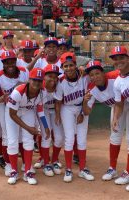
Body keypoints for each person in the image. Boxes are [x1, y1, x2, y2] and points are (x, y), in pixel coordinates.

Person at [82, 60, 126, 182]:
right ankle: (112, 169)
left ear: (103, 72)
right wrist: (85, 101)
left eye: (97, 73)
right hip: (116, 108)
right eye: (91, 75)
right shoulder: (91, 89)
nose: (95, 77)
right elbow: (87, 112)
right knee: (115, 137)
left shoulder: (115, 76)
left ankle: (127, 172)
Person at [54, 52, 94, 182]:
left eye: (71, 65)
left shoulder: (84, 76)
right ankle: (69, 169)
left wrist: (82, 113)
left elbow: (97, 67)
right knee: (69, 138)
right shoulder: (60, 81)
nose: (69, 68)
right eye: (66, 66)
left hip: (82, 106)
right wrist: (58, 115)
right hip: (67, 109)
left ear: (76, 65)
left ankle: (82, 169)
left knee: (82, 139)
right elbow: (58, 101)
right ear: (62, 67)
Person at [6, 68, 50, 185]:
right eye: (34, 80)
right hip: (12, 112)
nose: (37, 83)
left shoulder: (43, 92)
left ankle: (27, 171)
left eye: (39, 81)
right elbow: (12, 114)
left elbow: (40, 110)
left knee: (28, 141)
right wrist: (28, 128)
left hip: (28, 111)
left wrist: (45, 126)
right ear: (29, 80)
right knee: (12, 141)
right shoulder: (18, 92)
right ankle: (14, 171)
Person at [0, 50, 29, 177]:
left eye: (12, 61)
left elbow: (32, 86)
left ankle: (25, 163)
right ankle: (8, 164)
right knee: (7, 136)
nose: (10, 64)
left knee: (23, 135)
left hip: (22, 107)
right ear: (3, 63)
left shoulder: (24, 71)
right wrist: (0, 99)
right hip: (4, 106)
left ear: (16, 61)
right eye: (6, 62)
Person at [40, 64, 64, 177]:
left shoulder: (59, 84)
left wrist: (58, 115)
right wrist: (45, 126)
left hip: (54, 110)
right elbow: (39, 109)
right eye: (50, 75)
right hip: (43, 111)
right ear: (44, 76)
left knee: (59, 138)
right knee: (47, 136)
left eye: (55, 76)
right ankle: (46, 163)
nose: (53, 79)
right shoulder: (40, 87)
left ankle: (54, 161)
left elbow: (58, 102)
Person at [110, 46, 129, 192]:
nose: (118, 61)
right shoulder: (117, 82)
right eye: (115, 59)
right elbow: (119, 103)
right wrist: (116, 118)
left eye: (121, 57)